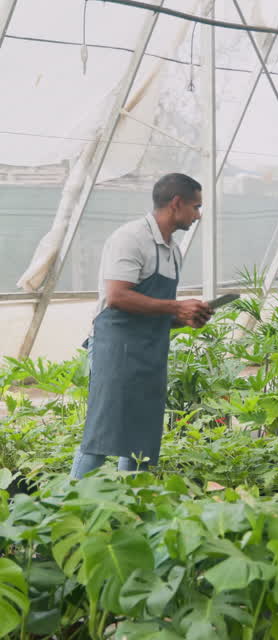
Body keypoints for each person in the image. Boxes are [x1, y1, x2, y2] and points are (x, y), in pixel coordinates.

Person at [71, 173, 212, 478]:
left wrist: (185, 318)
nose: (198, 215)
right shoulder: (131, 238)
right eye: (196, 207)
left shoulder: (173, 251)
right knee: (101, 435)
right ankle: (69, 501)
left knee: (142, 438)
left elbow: (155, 308)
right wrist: (177, 307)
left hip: (150, 352)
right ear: (176, 203)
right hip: (116, 348)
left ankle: (134, 500)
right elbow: (117, 296)